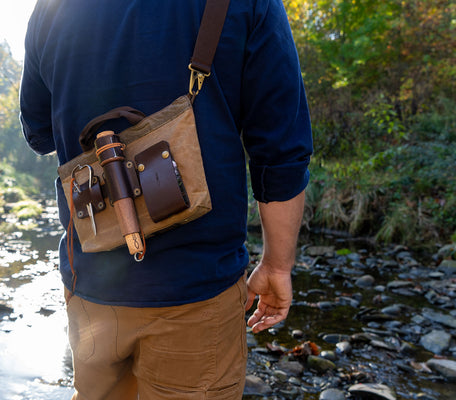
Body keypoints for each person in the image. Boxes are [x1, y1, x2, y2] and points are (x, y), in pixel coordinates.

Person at [19, 0, 312, 398]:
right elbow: (281, 151)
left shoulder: (50, 8)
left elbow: (39, 136)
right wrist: (277, 264)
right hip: (198, 289)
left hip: (89, 284)